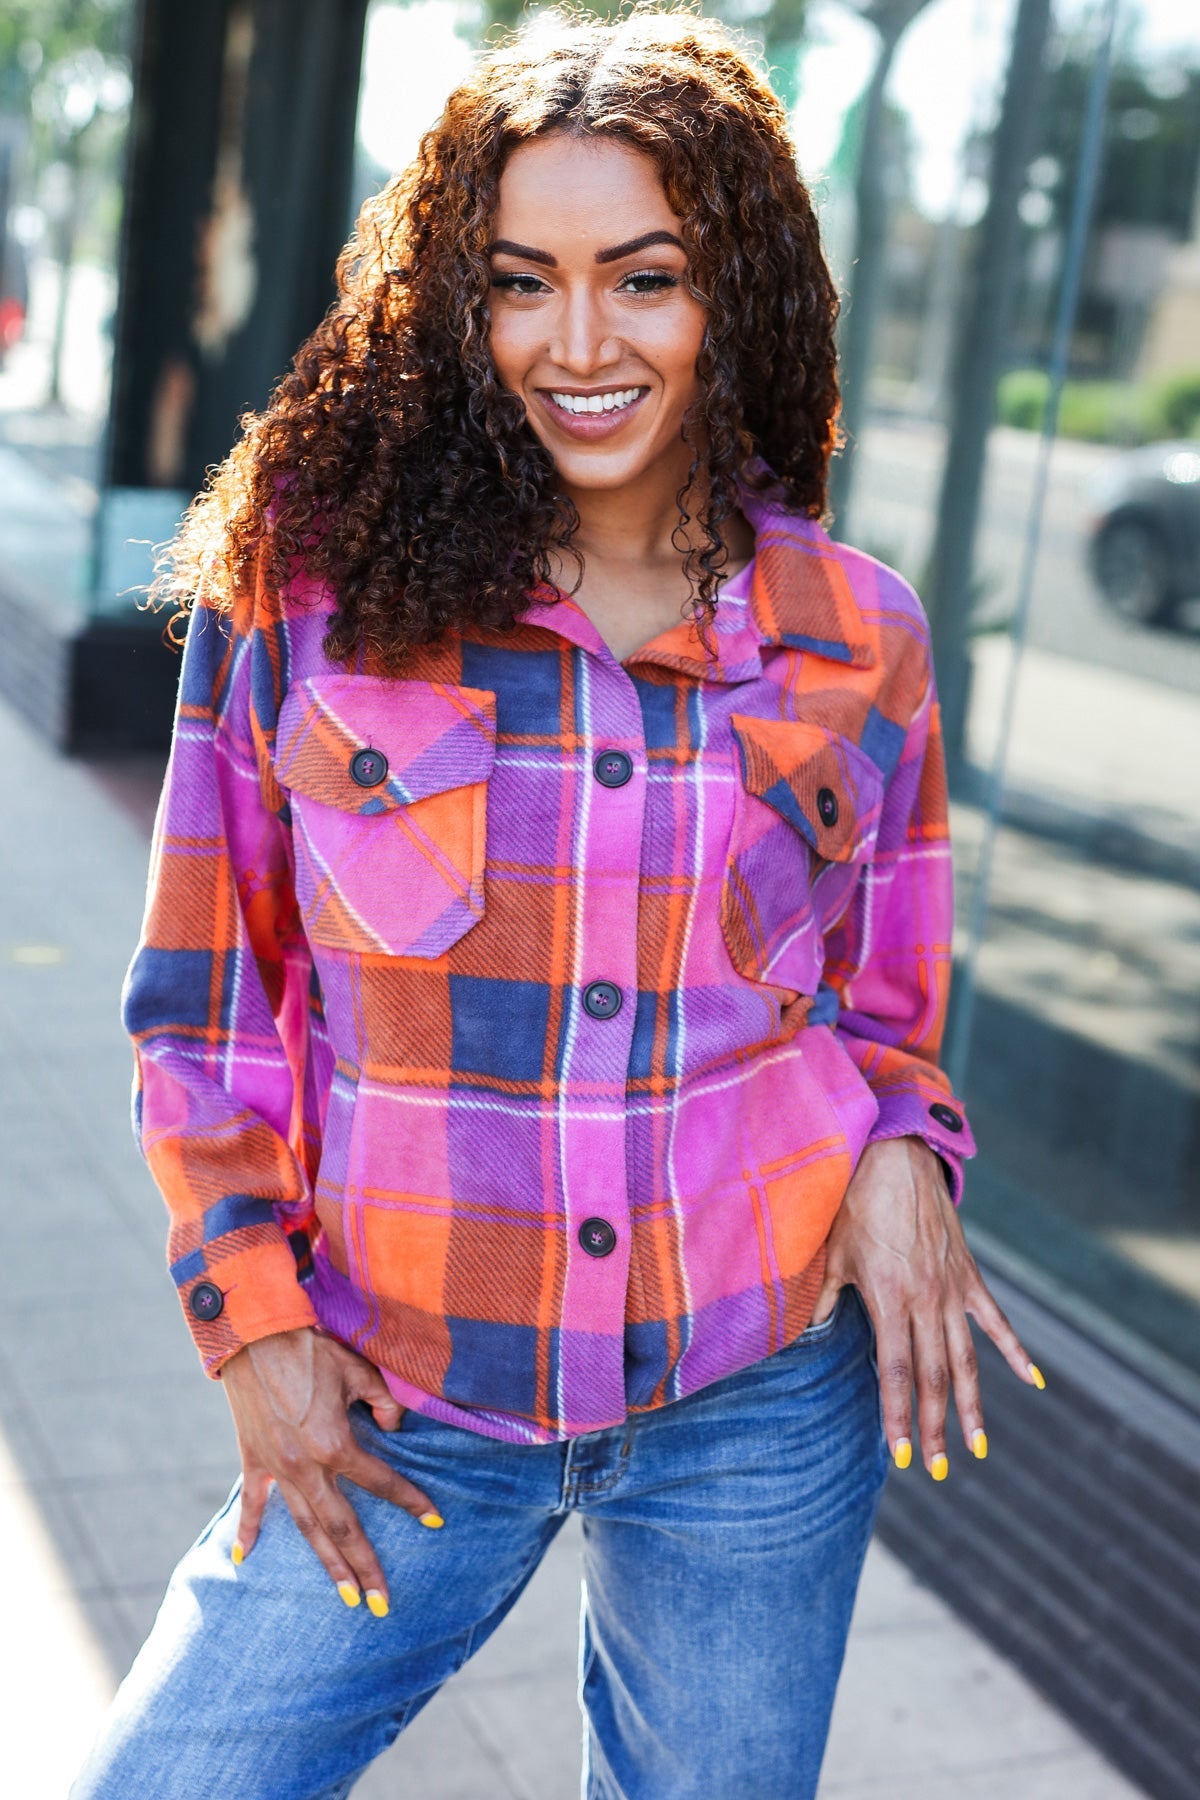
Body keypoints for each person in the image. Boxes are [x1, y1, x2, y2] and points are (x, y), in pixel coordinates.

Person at [71, 9, 1046, 1797]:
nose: (578, 345)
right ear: (461, 301)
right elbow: (202, 1011)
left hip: (750, 1399)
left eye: (645, 279)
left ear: (732, 293)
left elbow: (882, 1011)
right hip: (398, 1388)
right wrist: (257, 1335)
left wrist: (907, 1146)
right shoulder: (313, 588)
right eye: (525, 282)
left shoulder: (860, 635)